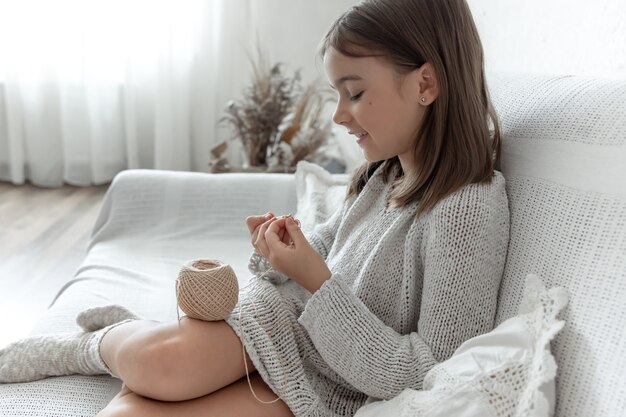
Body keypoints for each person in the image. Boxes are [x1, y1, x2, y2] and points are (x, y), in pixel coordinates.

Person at [0, 0, 510, 415]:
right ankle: (92, 347)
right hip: (283, 325)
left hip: (330, 377)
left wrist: (315, 280)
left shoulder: (468, 208)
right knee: (165, 367)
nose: (338, 115)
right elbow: (327, 250)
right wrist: (285, 249)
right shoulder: (385, 174)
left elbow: (436, 372)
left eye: (354, 93)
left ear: (425, 84)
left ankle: (141, 338)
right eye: (337, 94)